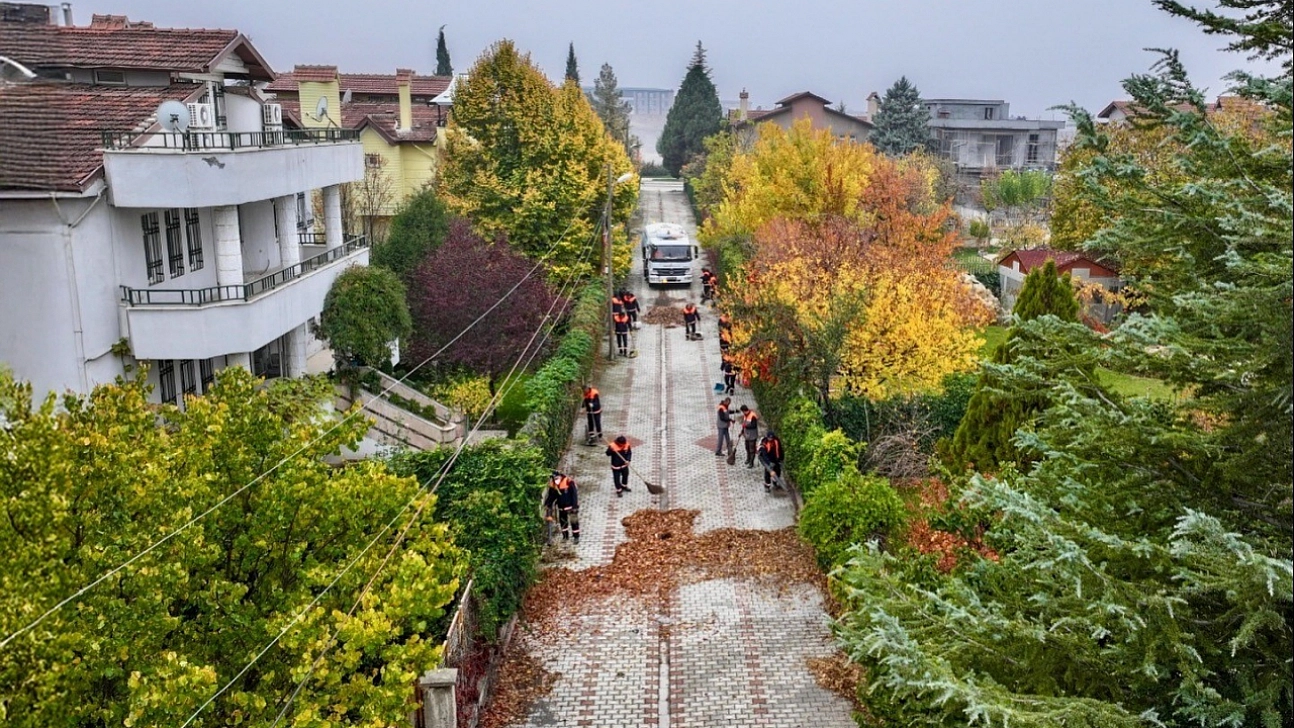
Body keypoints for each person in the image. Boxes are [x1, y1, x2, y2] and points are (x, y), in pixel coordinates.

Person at [544, 471, 580, 543]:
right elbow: (551, 496)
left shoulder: (568, 482)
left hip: (571, 507)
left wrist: (574, 506)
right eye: (554, 479)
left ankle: (576, 537)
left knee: (574, 522)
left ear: (560, 476)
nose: (556, 480)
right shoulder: (554, 485)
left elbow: (574, 495)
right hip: (561, 508)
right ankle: (565, 536)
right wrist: (548, 504)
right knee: (563, 523)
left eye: (557, 478)